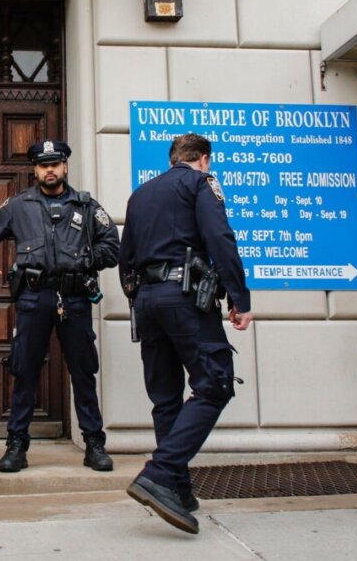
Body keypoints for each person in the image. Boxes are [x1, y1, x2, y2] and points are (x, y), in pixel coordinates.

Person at [117, 133, 253, 535]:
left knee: (165, 398)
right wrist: (238, 298)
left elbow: (126, 259)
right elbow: (220, 240)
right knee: (215, 384)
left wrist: (141, 298)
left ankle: (177, 490)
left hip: (146, 299)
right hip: (185, 298)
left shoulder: (140, 194)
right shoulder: (200, 183)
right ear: (203, 159)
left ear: (173, 157)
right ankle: (160, 473)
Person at [0, 139, 120, 474]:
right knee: (24, 370)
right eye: (43, 165)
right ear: (35, 169)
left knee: (82, 370)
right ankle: (16, 445)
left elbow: (112, 246)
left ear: (65, 166)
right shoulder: (19, 205)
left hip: (75, 298)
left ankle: (94, 443)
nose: (49, 170)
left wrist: (83, 260)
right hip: (33, 298)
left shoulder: (85, 206)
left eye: (55, 164)